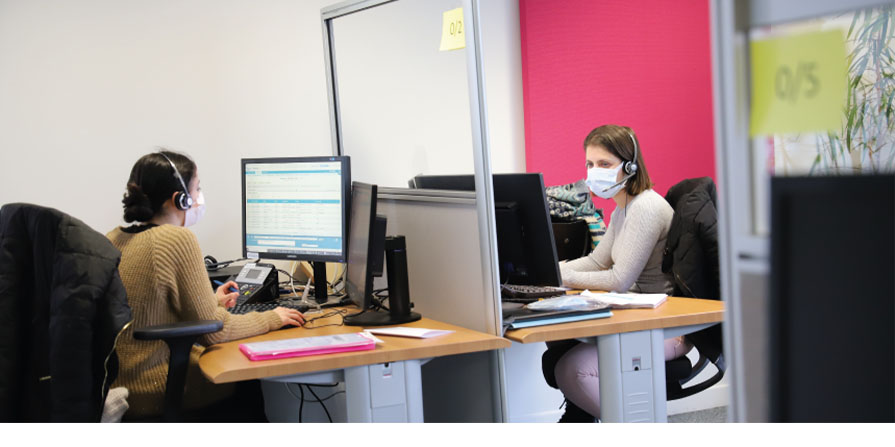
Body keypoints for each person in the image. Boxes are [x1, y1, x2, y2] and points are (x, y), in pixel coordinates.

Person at [107, 150, 306, 420]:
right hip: (158, 388)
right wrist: (272, 317)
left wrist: (211, 300)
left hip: (122, 387)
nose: (200, 197)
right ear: (182, 198)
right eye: (197, 188)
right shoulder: (175, 239)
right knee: (247, 379)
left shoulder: (114, 239)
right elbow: (214, 332)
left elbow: (151, 310)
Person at [551, 125, 692, 422]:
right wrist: (553, 272)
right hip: (638, 315)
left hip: (667, 326)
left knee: (572, 369)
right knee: (558, 340)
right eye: (590, 164)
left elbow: (618, 280)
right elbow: (598, 261)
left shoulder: (645, 207)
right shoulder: (622, 209)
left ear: (630, 167)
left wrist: (563, 278)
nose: (594, 171)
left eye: (604, 164)